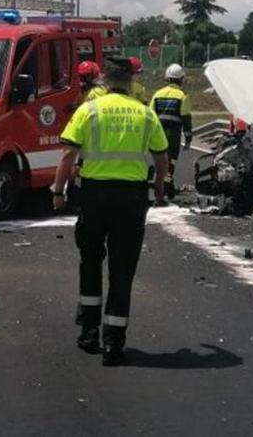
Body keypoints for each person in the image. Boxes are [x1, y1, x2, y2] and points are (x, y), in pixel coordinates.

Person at [52, 56, 169, 367]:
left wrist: (58, 192)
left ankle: (89, 332)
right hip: (131, 200)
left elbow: (67, 155)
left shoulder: (88, 110)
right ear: (130, 81)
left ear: (104, 80)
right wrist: (158, 188)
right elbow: (161, 157)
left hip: (93, 196)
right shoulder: (145, 114)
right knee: (122, 271)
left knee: (89, 262)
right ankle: (114, 344)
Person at [150, 63, 192, 193]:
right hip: (173, 133)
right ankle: (167, 183)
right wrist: (188, 137)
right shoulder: (182, 96)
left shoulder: (157, 94)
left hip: (158, 132)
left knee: (160, 157)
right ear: (180, 79)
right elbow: (186, 118)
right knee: (171, 159)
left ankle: (160, 180)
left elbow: (151, 114)